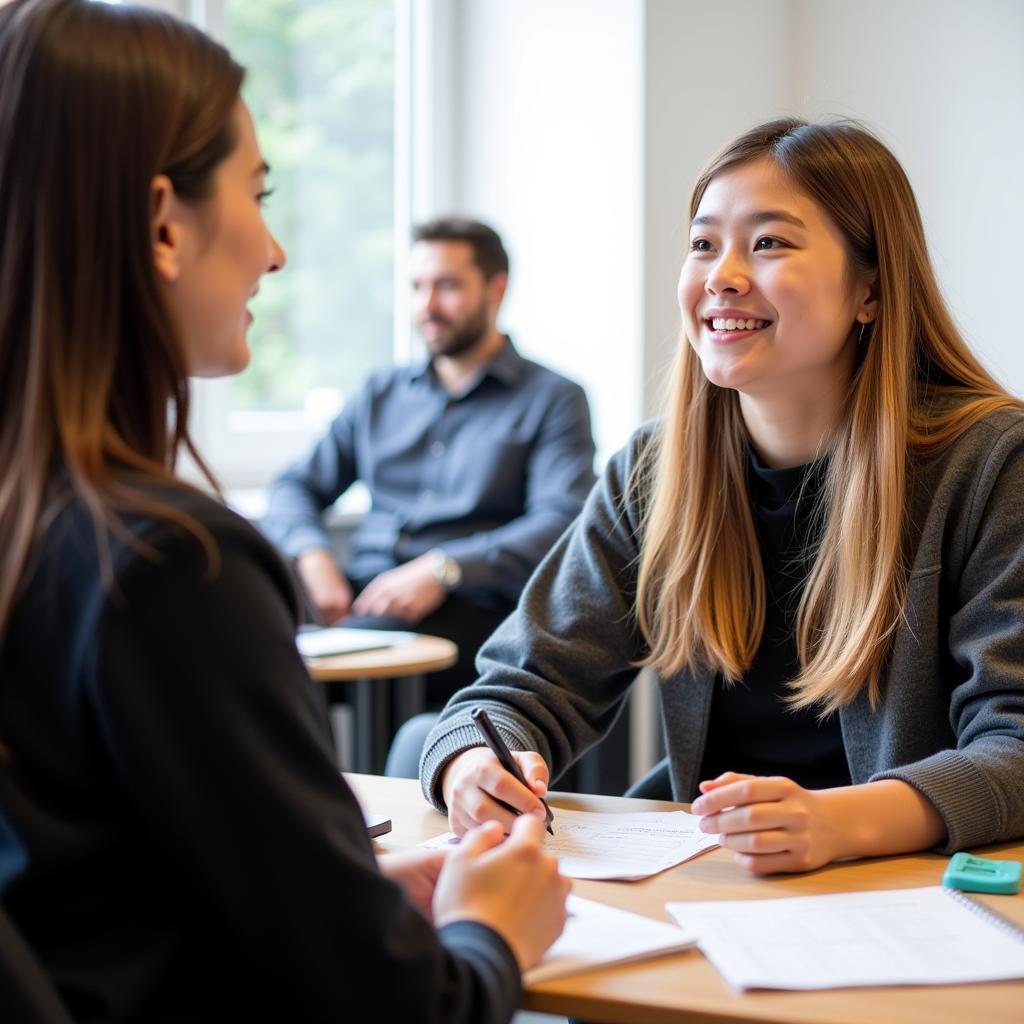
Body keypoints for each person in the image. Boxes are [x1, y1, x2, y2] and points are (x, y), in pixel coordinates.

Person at [0, 2, 569, 1021]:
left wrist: (334, 900)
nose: (275, 253)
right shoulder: (175, 566)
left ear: (493, 288)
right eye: (256, 197)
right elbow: (404, 1008)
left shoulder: (33, 520)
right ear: (164, 223)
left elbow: (82, 892)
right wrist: (494, 928)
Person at [421, 117, 1024, 874]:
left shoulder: (992, 460)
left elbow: (1017, 745)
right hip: (715, 880)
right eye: (704, 243)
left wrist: (840, 821)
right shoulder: (653, 470)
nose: (721, 275)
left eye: (769, 242)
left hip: (906, 894)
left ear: (870, 288)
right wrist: (473, 764)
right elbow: (523, 683)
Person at [262, 217, 596, 703]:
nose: (427, 306)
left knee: (309, 669)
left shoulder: (553, 398)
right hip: (362, 598)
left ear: (495, 289)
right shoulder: (381, 393)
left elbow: (562, 520)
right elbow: (295, 485)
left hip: (472, 609)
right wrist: (313, 556)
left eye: (447, 286)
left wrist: (444, 568)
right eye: (417, 287)